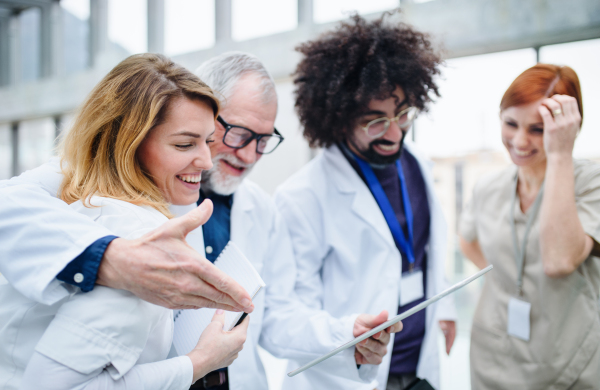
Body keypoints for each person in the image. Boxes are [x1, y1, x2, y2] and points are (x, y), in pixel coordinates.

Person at [0, 53, 248, 390]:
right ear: (129, 144)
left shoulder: (85, 201)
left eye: (208, 141)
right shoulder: (140, 244)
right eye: (185, 143)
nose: (206, 161)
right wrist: (199, 363)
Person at [174, 51, 402, 390]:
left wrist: (345, 335)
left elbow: (276, 317)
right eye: (239, 134)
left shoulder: (262, 211)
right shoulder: (147, 199)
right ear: (202, 112)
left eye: (263, 140)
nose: (250, 155)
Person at [274, 13, 457, 390]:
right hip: (345, 378)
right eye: (375, 121)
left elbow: (427, 252)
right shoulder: (301, 197)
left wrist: (446, 308)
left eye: (402, 114)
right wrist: (346, 335)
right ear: (340, 119)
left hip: (419, 366)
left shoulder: (417, 163)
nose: (394, 133)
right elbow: (284, 315)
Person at [458, 64, 600, 389]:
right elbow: (467, 241)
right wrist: (510, 281)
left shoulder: (592, 185)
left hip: (566, 363)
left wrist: (561, 152)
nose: (520, 141)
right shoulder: (489, 187)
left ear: (567, 126)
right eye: (510, 123)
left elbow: (559, 261)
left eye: (537, 129)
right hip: (493, 356)